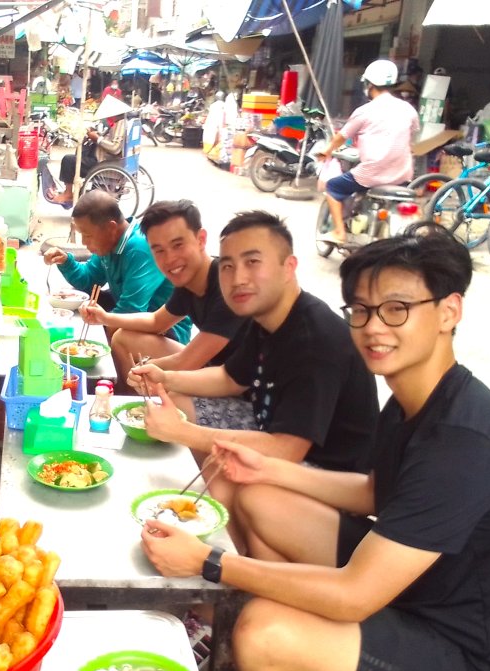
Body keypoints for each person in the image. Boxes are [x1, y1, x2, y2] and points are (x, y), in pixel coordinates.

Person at [138, 230, 490, 671]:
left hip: (472, 661)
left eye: (397, 309)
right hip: (419, 588)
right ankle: (298, 654)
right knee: (262, 497)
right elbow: (377, 491)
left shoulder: (463, 442)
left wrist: (211, 563)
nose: (374, 327)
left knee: (261, 634)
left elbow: (356, 595)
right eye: (361, 310)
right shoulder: (414, 398)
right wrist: (270, 468)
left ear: (450, 311)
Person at [129, 210, 379, 506]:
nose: (238, 279)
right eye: (229, 266)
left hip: (328, 474)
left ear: (289, 267)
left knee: (242, 483)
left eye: (252, 262)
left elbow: (287, 450)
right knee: (178, 400)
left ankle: (225, 522)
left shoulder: (314, 338)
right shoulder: (265, 318)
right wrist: (165, 378)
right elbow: (230, 378)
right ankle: (214, 504)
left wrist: (183, 432)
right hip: (270, 430)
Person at [80, 200, 249, 412]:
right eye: (158, 250)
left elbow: (188, 362)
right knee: (123, 338)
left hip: (242, 390)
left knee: (176, 400)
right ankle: (132, 408)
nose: (169, 259)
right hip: (212, 368)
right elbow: (156, 321)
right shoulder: (189, 280)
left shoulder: (228, 286)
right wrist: (104, 318)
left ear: (201, 239)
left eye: (178, 245)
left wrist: (148, 370)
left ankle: (147, 414)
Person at [43, 191, 191, 347]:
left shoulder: (139, 248)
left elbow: (131, 310)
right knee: (83, 301)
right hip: (130, 310)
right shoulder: (110, 243)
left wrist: (95, 339)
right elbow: (88, 280)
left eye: (87, 235)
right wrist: (66, 262)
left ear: (110, 228)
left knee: (115, 334)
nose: (84, 242)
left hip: (168, 329)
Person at [317, 59, 420, 246]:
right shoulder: (408, 109)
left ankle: (339, 232)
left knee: (333, 187)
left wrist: (327, 150)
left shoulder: (365, 111)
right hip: (403, 175)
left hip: (372, 173)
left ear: (369, 85)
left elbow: (342, 136)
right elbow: (411, 135)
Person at [42, 94, 129, 208]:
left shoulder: (121, 125)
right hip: (105, 159)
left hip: (103, 162)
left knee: (68, 160)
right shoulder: (121, 123)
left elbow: (115, 148)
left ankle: (68, 194)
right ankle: (72, 192)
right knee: (79, 153)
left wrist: (97, 138)